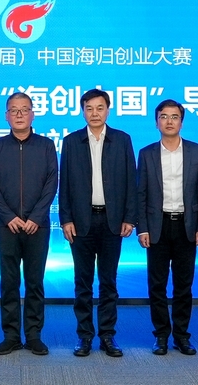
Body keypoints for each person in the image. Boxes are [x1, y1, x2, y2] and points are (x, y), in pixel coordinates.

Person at [59, 88, 137, 357]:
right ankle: (84, 336)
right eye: (89, 108)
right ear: (83, 111)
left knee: (108, 282)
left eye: (100, 108)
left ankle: (107, 336)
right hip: (81, 222)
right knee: (82, 283)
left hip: (112, 221)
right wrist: (66, 219)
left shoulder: (122, 140)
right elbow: (64, 184)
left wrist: (130, 217)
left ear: (108, 110)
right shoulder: (71, 142)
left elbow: (131, 181)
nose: (94, 113)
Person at [0, 92, 58, 356]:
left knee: (35, 282)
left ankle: (34, 335)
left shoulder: (46, 145)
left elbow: (51, 182)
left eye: (24, 109)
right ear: (6, 116)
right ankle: (11, 336)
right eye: (14, 110)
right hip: (7, 226)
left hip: (38, 226)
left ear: (32, 114)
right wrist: (8, 216)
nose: (19, 114)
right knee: (9, 282)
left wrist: (36, 217)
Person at [136, 100, 198, 356]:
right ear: (156, 122)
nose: (169, 121)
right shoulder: (146, 153)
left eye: (174, 116)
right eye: (164, 116)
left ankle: (181, 336)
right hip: (157, 226)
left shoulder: (196, 151)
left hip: (186, 226)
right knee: (157, 285)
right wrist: (142, 228)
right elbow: (141, 194)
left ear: (181, 122)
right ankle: (161, 335)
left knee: (183, 285)